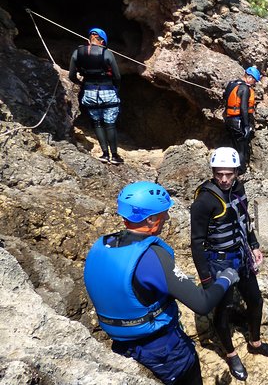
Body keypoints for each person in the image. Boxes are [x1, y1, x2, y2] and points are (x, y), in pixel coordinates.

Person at [83, 181, 240, 385]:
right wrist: (227, 278)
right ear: (150, 220)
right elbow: (203, 304)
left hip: (121, 345)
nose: (166, 218)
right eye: (162, 214)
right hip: (162, 351)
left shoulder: (100, 246)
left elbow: (127, 286)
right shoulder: (151, 256)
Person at [190, 147, 268, 381]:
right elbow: (197, 243)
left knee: (256, 300)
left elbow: (245, 220)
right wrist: (206, 279)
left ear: (237, 172)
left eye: (229, 174)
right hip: (219, 264)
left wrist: (255, 244)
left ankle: (255, 342)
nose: (224, 179)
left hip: (241, 257)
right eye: (219, 174)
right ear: (213, 172)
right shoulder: (204, 201)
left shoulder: (238, 189)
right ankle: (230, 354)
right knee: (224, 310)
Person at [69, 28, 123, 164]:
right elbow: (117, 76)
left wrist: (82, 83)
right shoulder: (107, 53)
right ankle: (115, 156)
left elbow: (71, 76)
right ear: (103, 41)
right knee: (110, 124)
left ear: (89, 39)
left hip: (89, 92)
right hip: (108, 91)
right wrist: (116, 87)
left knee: (97, 123)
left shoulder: (77, 53)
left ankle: (105, 155)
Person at [224, 66, 261, 174]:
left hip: (229, 120)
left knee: (234, 145)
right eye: (254, 80)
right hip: (237, 121)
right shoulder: (245, 88)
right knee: (241, 147)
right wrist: (246, 125)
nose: (254, 83)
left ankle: (233, 168)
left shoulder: (232, 84)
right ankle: (241, 170)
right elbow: (244, 108)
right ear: (250, 77)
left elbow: (225, 97)